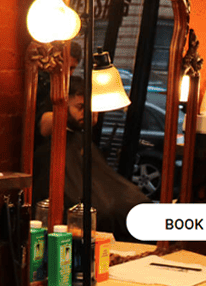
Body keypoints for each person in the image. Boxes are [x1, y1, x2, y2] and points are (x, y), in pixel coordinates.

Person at [32, 75, 150, 240]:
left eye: (89, 108)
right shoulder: (49, 129)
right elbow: (45, 123)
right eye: (80, 107)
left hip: (98, 198)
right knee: (107, 212)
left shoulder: (79, 138)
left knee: (136, 202)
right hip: (76, 207)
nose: (85, 113)